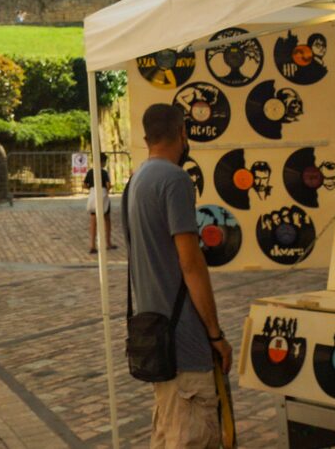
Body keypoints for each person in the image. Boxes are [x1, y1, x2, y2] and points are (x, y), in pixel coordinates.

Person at [126, 103, 231, 449]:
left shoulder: (135, 182)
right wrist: (215, 334)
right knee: (192, 437)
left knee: (168, 432)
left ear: (146, 137)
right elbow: (190, 263)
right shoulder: (175, 180)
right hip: (183, 340)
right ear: (183, 133)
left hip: (155, 336)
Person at [84, 153, 118, 255]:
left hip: (93, 195)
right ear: (103, 162)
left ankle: (92, 245)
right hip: (102, 195)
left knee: (93, 220)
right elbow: (108, 185)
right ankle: (107, 242)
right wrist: (108, 189)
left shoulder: (90, 172)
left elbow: (84, 184)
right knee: (106, 218)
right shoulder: (103, 172)